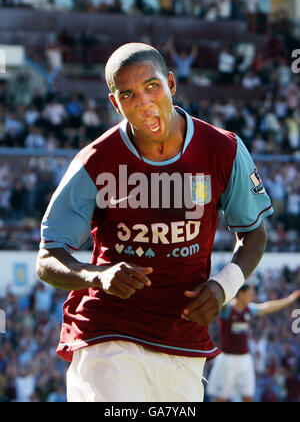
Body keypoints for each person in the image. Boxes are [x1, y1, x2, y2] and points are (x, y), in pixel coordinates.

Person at [36, 42, 273, 402]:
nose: (144, 102)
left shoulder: (222, 149)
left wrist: (224, 285)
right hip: (108, 333)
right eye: (128, 94)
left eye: (152, 86)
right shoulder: (96, 160)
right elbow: (47, 258)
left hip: (183, 337)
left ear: (171, 84)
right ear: (116, 104)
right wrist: (96, 275)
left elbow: (254, 233)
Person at [207, 284, 300, 402]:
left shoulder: (248, 310)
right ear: (240, 294)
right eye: (249, 293)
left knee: (248, 396)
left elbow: (268, 307)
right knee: (221, 398)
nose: (252, 296)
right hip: (227, 359)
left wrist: (290, 299)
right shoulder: (227, 309)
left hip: (245, 359)